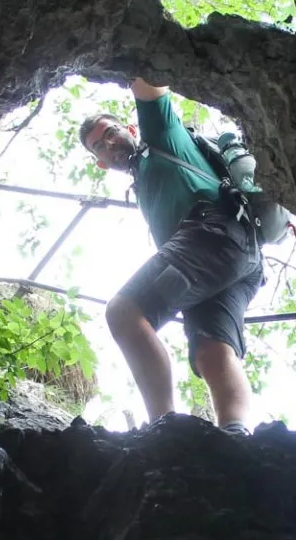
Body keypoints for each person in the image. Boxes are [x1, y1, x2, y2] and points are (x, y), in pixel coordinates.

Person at [79, 77, 263, 436]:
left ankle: (163, 430)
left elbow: (149, 81)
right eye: (98, 146)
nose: (109, 143)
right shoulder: (143, 181)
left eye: (111, 131)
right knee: (211, 350)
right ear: (99, 163)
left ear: (130, 127)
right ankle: (235, 438)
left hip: (212, 235)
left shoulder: (159, 136)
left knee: (124, 313)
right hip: (234, 259)